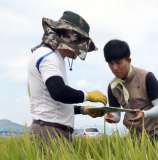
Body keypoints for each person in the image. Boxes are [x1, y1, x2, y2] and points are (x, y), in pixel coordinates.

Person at [28, 11, 107, 144]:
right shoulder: (48, 56)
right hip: (49, 132)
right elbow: (58, 92)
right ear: (71, 38)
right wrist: (88, 95)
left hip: (53, 130)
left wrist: (83, 110)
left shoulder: (55, 57)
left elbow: (54, 105)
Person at [103, 40, 158, 142]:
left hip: (157, 133)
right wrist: (112, 117)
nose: (114, 68)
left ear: (128, 60)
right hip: (135, 136)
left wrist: (144, 114)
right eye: (110, 64)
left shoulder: (146, 77)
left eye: (118, 63)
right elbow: (117, 115)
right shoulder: (112, 86)